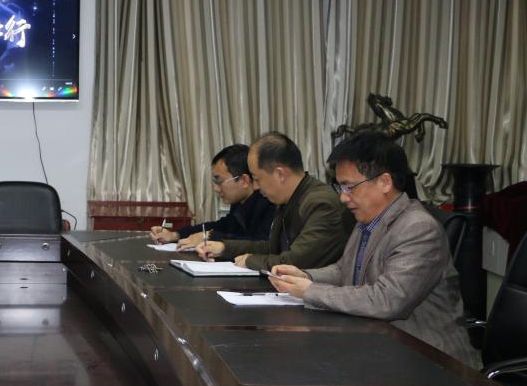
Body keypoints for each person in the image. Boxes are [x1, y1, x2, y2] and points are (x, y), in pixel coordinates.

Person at [269, 132, 478, 366]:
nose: (343, 198)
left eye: (350, 187)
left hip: (428, 359)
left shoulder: (418, 228)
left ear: (385, 182)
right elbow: (344, 270)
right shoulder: (367, 219)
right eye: (340, 187)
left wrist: (310, 291)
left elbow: (387, 300)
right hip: (379, 345)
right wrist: (305, 276)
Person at [196, 131, 354, 270]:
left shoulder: (321, 203)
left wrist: (250, 261)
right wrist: (224, 248)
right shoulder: (288, 198)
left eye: (257, 178)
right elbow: (272, 248)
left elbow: (295, 261)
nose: (255, 186)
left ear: (280, 174)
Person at [150, 144, 274, 248]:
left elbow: (261, 244)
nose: (216, 188)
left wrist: (209, 237)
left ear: (244, 180)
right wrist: (175, 235)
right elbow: (222, 227)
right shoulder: (240, 201)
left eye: (219, 181)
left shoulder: (270, 202)